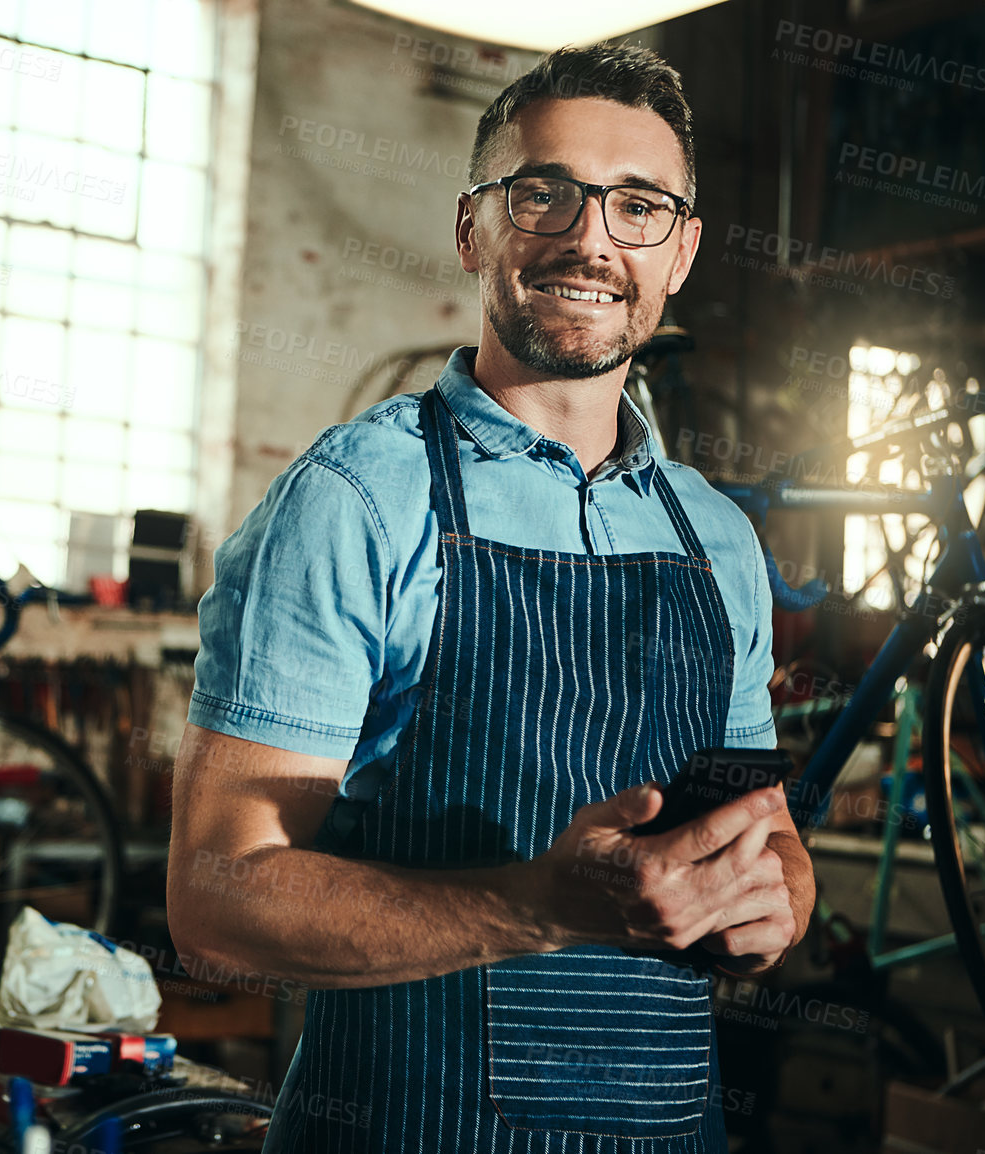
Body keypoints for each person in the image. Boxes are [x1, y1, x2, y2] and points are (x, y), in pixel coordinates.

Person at [167, 42, 816, 1154]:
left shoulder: (717, 538)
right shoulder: (358, 501)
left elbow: (770, 844)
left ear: (682, 253)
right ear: (474, 228)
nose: (589, 238)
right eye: (543, 193)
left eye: (639, 206)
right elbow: (217, 899)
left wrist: (772, 912)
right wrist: (540, 906)